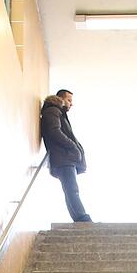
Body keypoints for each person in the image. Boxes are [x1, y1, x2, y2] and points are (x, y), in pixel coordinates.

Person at [40, 89, 92, 222]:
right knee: (72, 190)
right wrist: (73, 147)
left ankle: (80, 218)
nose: (71, 104)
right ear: (60, 99)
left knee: (70, 190)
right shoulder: (53, 111)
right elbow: (54, 132)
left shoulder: (58, 113)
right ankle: (82, 218)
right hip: (63, 158)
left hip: (65, 158)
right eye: (69, 100)